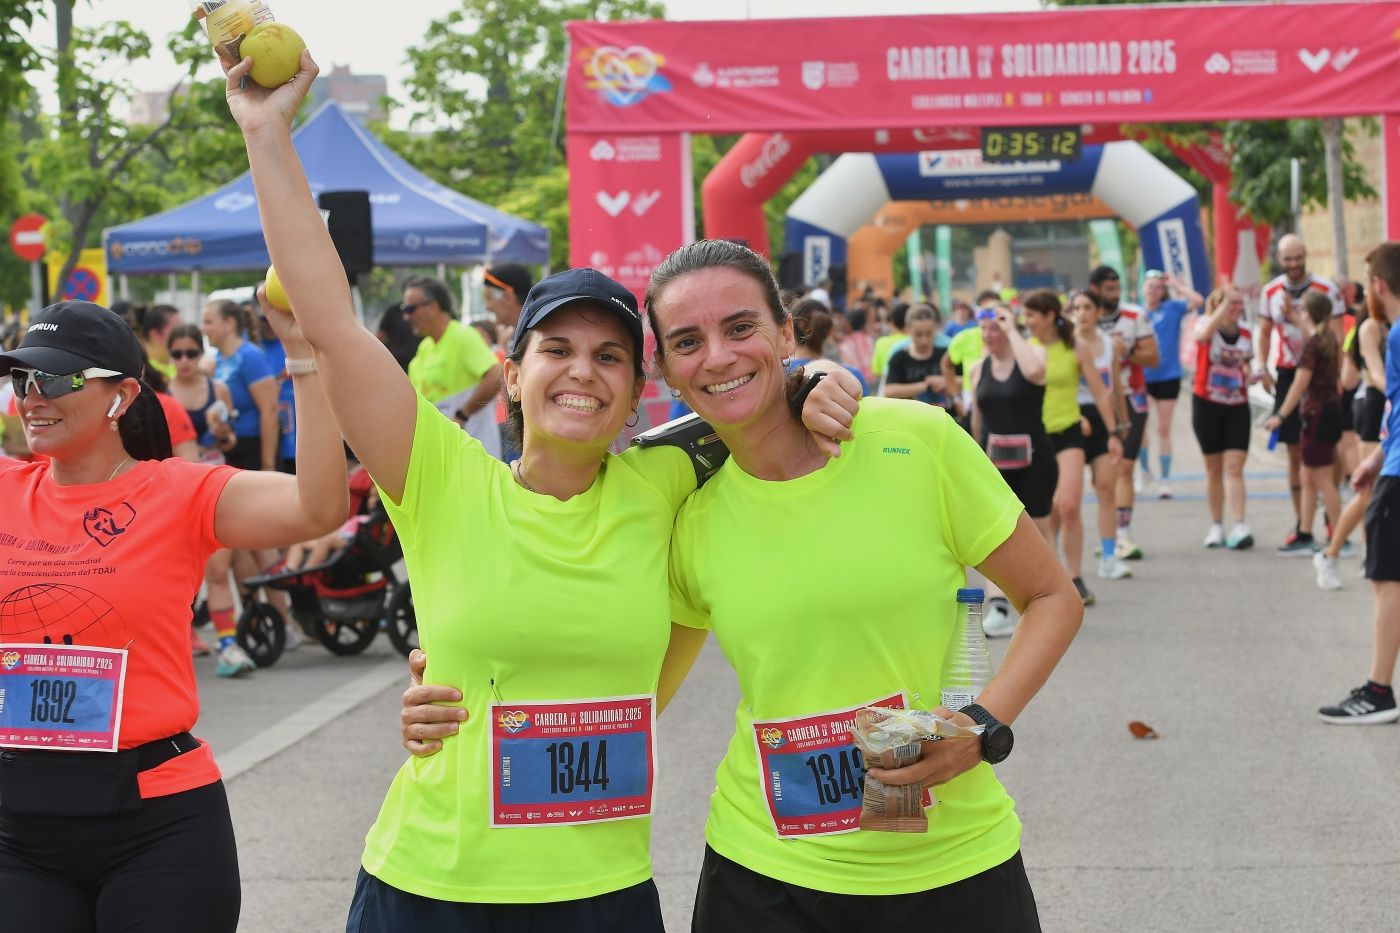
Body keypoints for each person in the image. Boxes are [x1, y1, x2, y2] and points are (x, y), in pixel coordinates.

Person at [222, 50, 863, 932]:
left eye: (610, 356)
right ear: (512, 374)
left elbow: (753, 388)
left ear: (639, 394)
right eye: (556, 350)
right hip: (430, 889)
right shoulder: (441, 478)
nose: (582, 373)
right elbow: (331, 323)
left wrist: (815, 372)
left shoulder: (665, 479)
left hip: (600, 899)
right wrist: (266, 129)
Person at [645, 240, 1079, 929]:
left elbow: (1053, 597)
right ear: (665, 369)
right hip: (762, 873)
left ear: (785, 330)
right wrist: (457, 693)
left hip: (953, 865)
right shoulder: (688, 516)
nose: (719, 356)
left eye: (739, 326)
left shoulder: (915, 442)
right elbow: (632, 689)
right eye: (687, 341)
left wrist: (983, 726)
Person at [0, 294, 348, 931]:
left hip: (158, 825)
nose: (32, 395)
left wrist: (303, 355)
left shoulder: (179, 492)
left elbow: (318, 508)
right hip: (17, 830)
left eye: (56, 377)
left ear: (123, 396)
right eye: (22, 378)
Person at [1318, 242, 1400, 723]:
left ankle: (1378, 691)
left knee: (1387, 581)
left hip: (1398, 470)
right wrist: (1376, 460)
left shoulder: (1393, 334)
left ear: (1379, 285)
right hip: (1390, 460)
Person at [1021, 289, 1121, 606]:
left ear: (1050, 315)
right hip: (1036, 437)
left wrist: (1114, 433)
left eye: (1032, 315)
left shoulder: (1074, 347)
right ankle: (1052, 578)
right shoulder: (1025, 349)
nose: (1027, 322)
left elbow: (1101, 393)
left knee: (1069, 505)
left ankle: (1075, 576)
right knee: (1045, 513)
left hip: (1068, 432)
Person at [1257, 234, 1347, 548]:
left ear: (1306, 255)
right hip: (1288, 374)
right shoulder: (1271, 292)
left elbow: (1336, 337)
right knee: (1300, 459)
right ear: (1280, 260)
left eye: (1299, 258)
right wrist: (1262, 365)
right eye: (1288, 259)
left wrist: (1340, 373)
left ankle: (1335, 526)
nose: (1294, 265)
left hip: (1318, 382)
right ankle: (1303, 525)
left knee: (1324, 458)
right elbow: (1266, 333)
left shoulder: (1326, 291)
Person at [1315, 305, 1390, 589]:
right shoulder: (1369, 327)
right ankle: (1330, 554)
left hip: (1386, 405)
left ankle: (1370, 554)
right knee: (1370, 491)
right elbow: (1356, 375)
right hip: (1373, 407)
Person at [1088, 265, 1159, 560]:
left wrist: (1124, 352)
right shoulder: (1082, 320)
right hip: (1094, 401)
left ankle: (1124, 534)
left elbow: (1153, 357)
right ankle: (1108, 533)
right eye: (1108, 290)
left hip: (1131, 399)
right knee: (1102, 475)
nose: (1114, 295)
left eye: (1117, 289)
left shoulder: (1134, 316)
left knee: (1125, 467)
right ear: (1095, 290)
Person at [1266, 290, 1344, 559]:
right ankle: (1306, 532)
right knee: (1308, 477)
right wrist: (1292, 316)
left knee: (1322, 479)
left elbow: (1299, 384)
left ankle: (1341, 537)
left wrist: (1280, 415)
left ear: (1308, 313)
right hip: (1329, 413)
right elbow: (1310, 332)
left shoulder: (1313, 345)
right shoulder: (1327, 339)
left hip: (1317, 415)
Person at [403, 275, 505, 460]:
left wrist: (462, 414)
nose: (406, 316)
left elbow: (496, 375)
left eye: (410, 309)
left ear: (433, 307)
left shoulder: (462, 336)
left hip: (474, 454)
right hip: (440, 453)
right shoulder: (424, 348)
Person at [1071, 289, 1133, 581]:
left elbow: (1116, 387)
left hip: (1103, 418)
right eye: (1077, 308)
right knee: (1064, 501)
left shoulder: (1110, 345)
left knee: (1106, 488)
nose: (1082, 313)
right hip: (1070, 417)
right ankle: (1063, 565)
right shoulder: (1064, 345)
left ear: (1097, 312)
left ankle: (1108, 558)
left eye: (1087, 307)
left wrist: (1122, 424)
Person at [1192, 286, 1256, 551]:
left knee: (1234, 467)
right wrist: (1222, 308)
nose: (1236, 307)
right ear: (1218, 304)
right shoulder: (1207, 324)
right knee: (1214, 468)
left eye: (1239, 303)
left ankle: (1240, 524)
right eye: (1231, 303)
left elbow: (1246, 364)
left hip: (1237, 405)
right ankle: (1217, 524)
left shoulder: (1247, 332)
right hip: (1207, 404)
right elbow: (1203, 336)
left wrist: (1252, 375)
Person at [1140, 270, 1204, 499]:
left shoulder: (1172, 309)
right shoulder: (1137, 313)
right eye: (1151, 286)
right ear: (1143, 288)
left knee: (1163, 428)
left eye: (1159, 287)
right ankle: (1145, 470)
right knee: (1141, 427)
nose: (1155, 290)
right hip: (1142, 378)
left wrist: (1178, 285)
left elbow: (1198, 301)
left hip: (1168, 377)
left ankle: (1165, 479)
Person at [200, 300, 279, 473]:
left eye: (208, 322)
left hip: (251, 450)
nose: (203, 328)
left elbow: (270, 410)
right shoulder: (217, 360)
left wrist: (268, 465)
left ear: (229, 323)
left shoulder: (250, 357)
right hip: (227, 449)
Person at [882, 304, 948, 407]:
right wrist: (925, 386)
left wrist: (948, 381)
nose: (924, 340)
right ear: (908, 330)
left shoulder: (945, 353)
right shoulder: (899, 356)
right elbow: (888, 390)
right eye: (918, 334)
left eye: (929, 334)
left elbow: (967, 379)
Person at [136, 304, 181, 382]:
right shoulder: (141, 371)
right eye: (177, 331)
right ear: (155, 335)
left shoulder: (183, 364)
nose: (184, 335)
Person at [375, 302, 422, 372]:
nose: (407, 318)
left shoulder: (422, 312)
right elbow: (380, 338)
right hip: (397, 364)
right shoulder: (392, 312)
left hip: (418, 362)